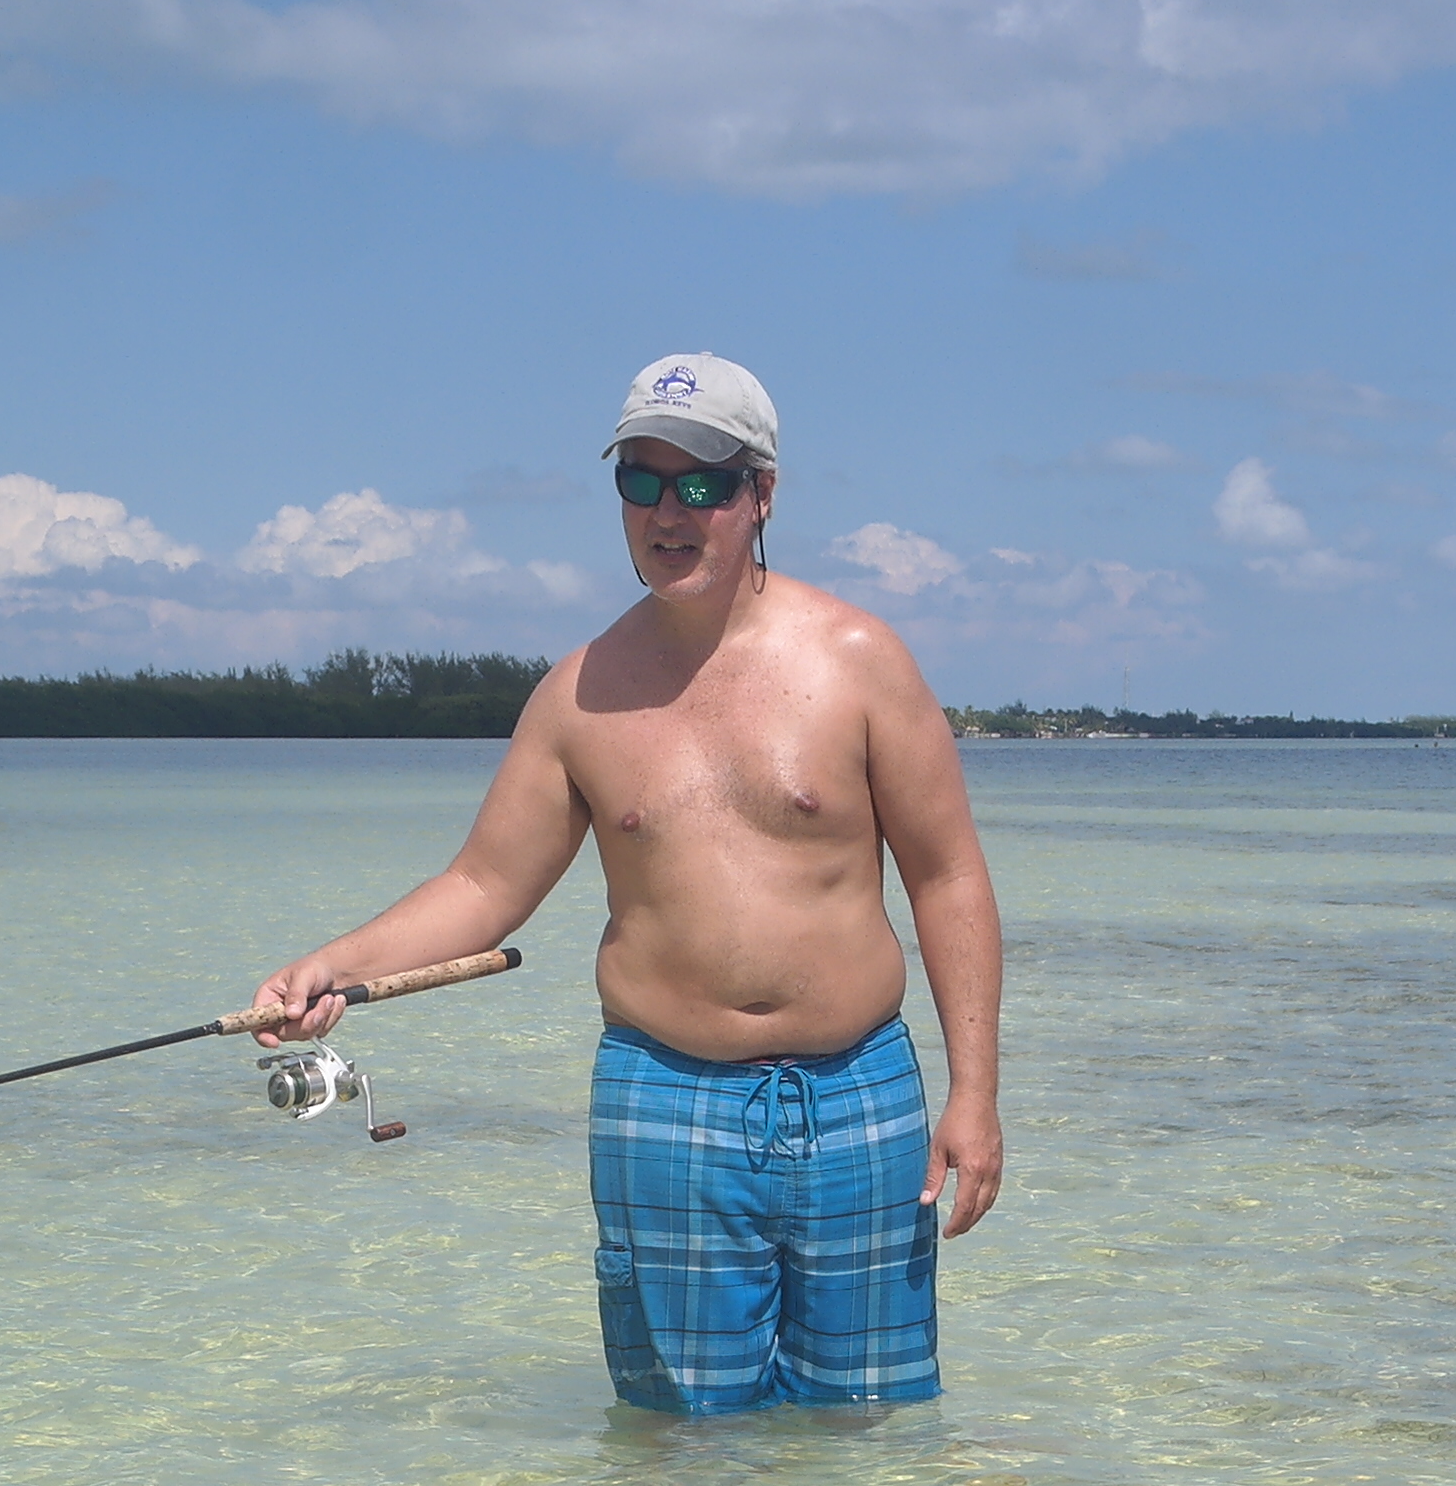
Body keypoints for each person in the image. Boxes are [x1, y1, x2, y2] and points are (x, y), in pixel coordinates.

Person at [253, 351, 1006, 1416]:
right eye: (639, 480)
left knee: (869, 1433)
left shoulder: (860, 660)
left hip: (858, 1093)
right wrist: (336, 963)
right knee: (680, 1453)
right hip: (663, 1099)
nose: (668, 509)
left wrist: (974, 1095)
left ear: (763, 493)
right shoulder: (578, 697)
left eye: (700, 482)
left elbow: (950, 879)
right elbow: (481, 885)